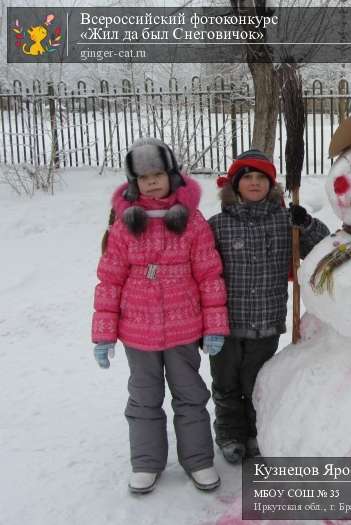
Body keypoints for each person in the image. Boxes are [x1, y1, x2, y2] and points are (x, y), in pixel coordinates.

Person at [91, 137, 229, 494]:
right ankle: (147, 462)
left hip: (184, 329)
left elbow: (209, 276)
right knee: (143, 397)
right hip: (137, 332)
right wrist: (103, 333)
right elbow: (109, 280)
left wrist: (214, 326)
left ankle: (197, 459)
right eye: (144, 177)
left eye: (158, 174)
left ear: (172, 176)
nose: (152, 182)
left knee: (190, 395)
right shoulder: (124, 225)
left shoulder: (192, 222)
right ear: (134, 182)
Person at [208, 149, 329, 464]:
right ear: (234, 184)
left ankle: (255, 431)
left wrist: (306, 223)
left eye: (261, 177)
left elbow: (323, 247)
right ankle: (229, 433)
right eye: (246, 177)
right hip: (225, 322)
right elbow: (201, 272)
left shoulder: (285, 221)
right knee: (225, 383)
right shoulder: (217, 225)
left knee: (257, 382)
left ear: (271, 184)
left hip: (267, 320)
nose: (254, 183)